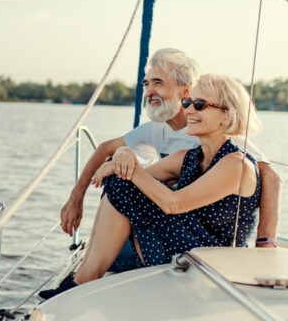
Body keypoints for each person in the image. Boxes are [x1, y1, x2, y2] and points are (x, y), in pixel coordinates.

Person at [41, 73, 262, 299]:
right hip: (188, 249)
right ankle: (83, 276)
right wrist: (123, 156)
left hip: (215, 264)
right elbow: (133, 181)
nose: (189, 111)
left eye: (200, 105)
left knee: (124, 182)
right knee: (121, 183)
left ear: (227, 116)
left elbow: (173, 204)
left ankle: (84, 280)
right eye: (187, 103)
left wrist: (128, 166)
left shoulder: (237, 165)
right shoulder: (190, 157)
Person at [59, 49, 282, 272]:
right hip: (173, 225)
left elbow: (270, 177)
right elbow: (106, 148)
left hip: (201, 236)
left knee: (121, 198)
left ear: (184, 90)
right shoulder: (159, 131)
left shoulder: (225, 137)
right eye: (146, 84)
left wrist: (265, 246)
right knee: (118, 184)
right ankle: (85, 274)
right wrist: (76, 197)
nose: (149, 91)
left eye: (158, 83)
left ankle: (88, 273)